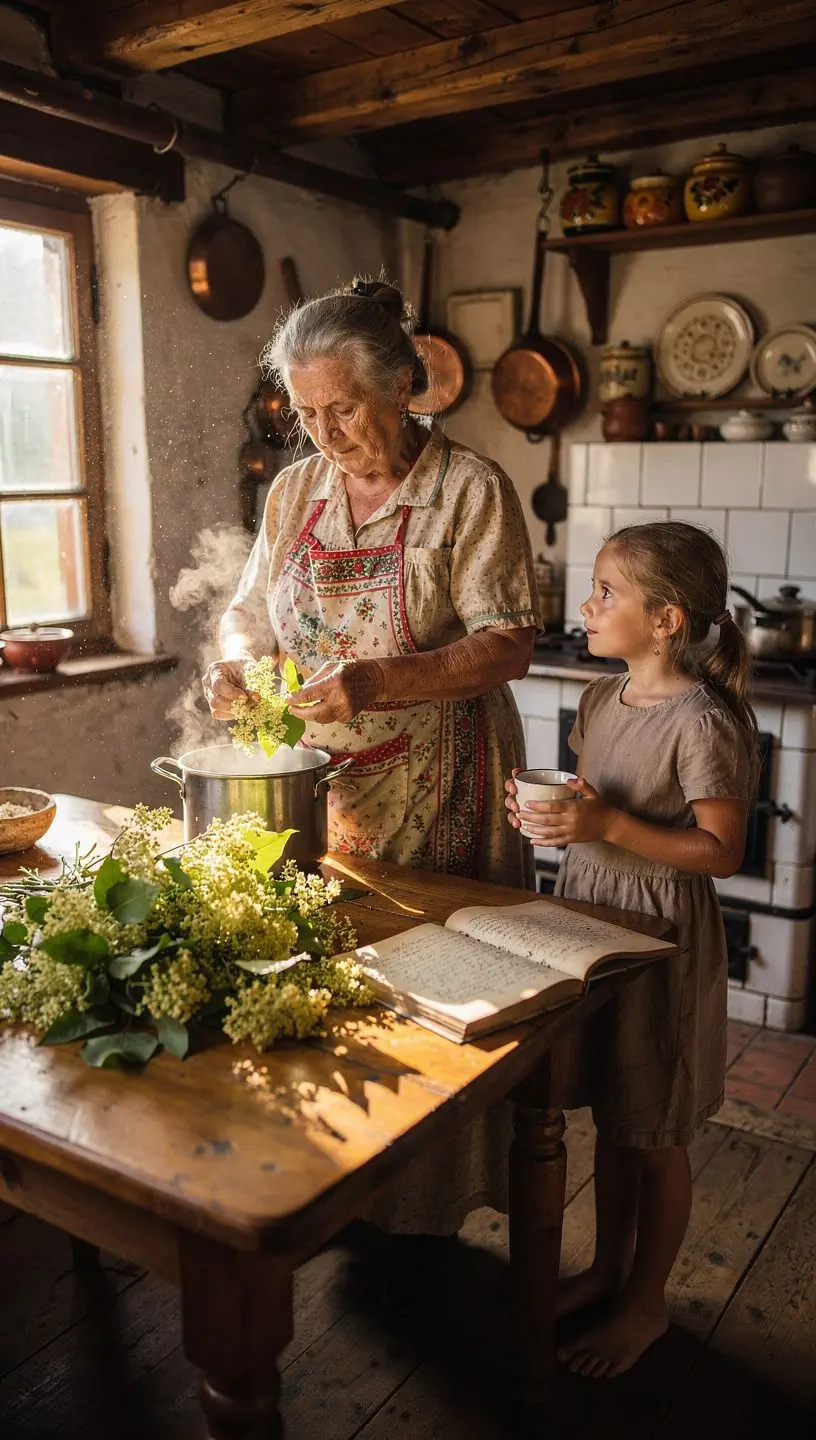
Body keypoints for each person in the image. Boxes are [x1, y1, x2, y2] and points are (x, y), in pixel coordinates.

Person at [203, 277, 543, 1238]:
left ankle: (433, 1215)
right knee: (345, 992)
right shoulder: (296, 492)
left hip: (445, 789)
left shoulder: (468, 491)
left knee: (449, 1007)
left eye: (342, 407)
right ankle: (351, 1195)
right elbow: (247, 612)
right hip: (331, 792)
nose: (323, 433)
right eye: (304, 412)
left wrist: (380, 680)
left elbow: (508, 642)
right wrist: (237, 665)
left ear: (405, 385)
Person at [505, 521, 756, 1379]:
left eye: (607, 592)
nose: (587, 604)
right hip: (592, 921)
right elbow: (595, 801)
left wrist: (605, 824)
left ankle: (645, 1304)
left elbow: (720, 852)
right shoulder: (601, 700)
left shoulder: (705, 720)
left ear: (667, 620)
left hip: (661, 937)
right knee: (616, 1109)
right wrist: (556, 815)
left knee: (655, 1129)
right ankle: (608, 1271)